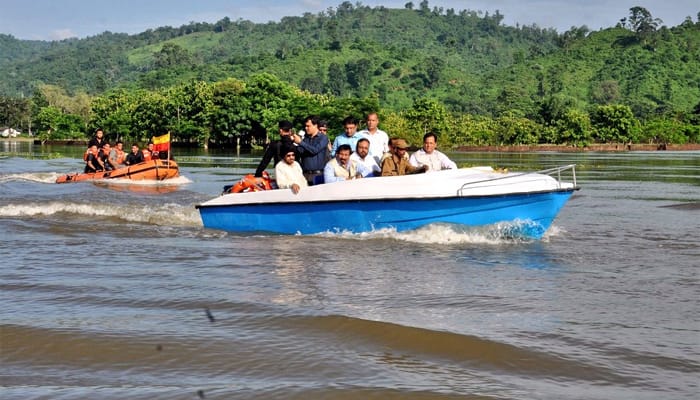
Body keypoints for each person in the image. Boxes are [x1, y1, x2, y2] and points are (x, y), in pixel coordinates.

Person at [292, 115, 330, 185]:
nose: (306, 128)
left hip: (319, 175)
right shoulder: (305, 139)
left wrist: (300, 142)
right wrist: (293, 142)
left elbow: (315, 150)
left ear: (315, 125)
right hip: (305, 174)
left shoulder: (323, 138)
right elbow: (300, 151)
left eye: (308, 126)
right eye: (305, 126)